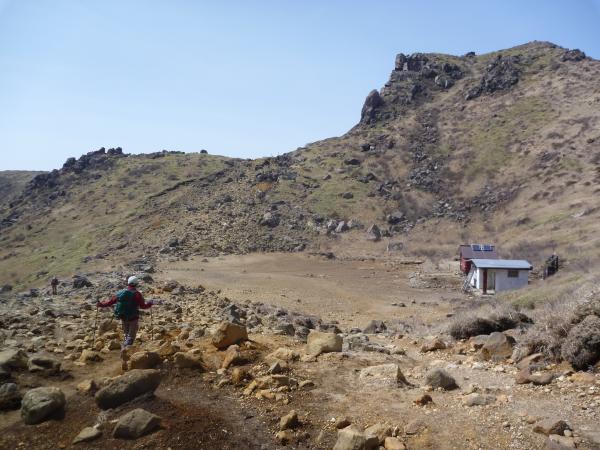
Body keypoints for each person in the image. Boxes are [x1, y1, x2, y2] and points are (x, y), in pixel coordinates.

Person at [97, 276, 153, 349]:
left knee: (126, 335)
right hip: (133, 317)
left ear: (128, 283)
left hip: (123, 316)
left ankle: (125, 348)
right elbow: (143, 306)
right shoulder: (137, 294)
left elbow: (110, 302)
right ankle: (125, 350)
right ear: (136, 284)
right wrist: (150, 304)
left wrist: (101, 304)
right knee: (131, 337)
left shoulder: (120, 293)